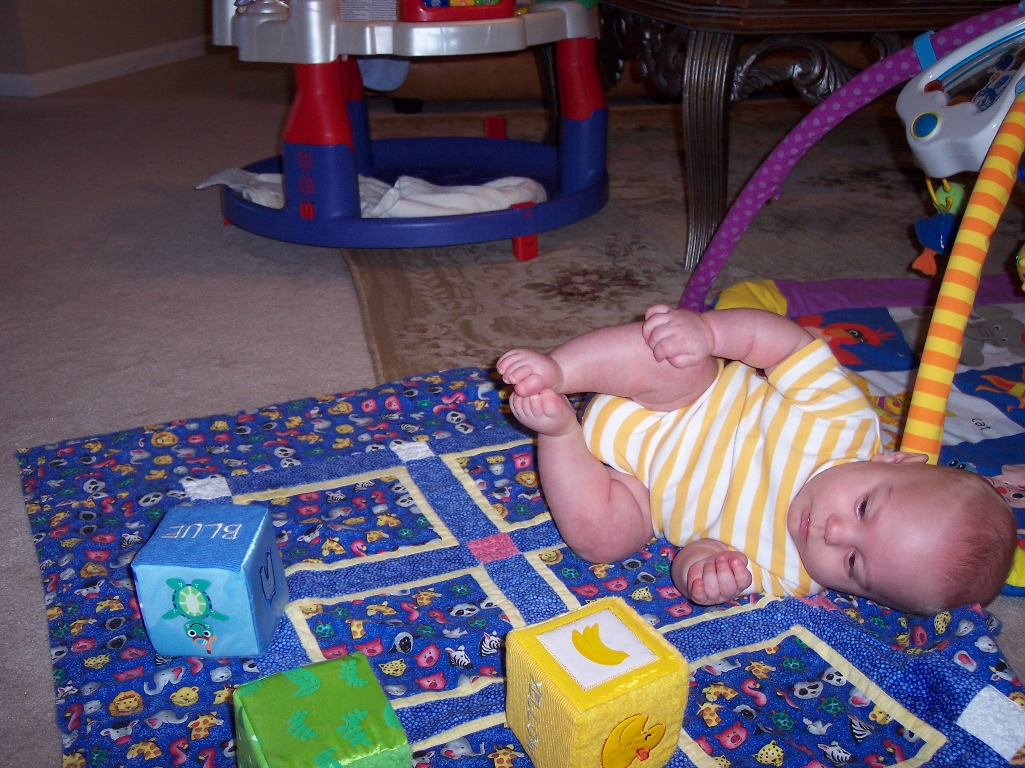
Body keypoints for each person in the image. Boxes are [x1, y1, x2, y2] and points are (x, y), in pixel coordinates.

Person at [497, 304, 1017, 615]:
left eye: (853, 564)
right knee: (681, 362)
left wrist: (705, 574)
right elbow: (785, 345)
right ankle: (559, 372)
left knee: (603, 542)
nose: (834, 532)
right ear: (896, 461)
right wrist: (709, 333)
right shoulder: (845, 422)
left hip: (641, 492)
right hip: (681, 396)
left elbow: (698, 548)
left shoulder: (793, 575)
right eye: (863, 508)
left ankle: (558, 432)